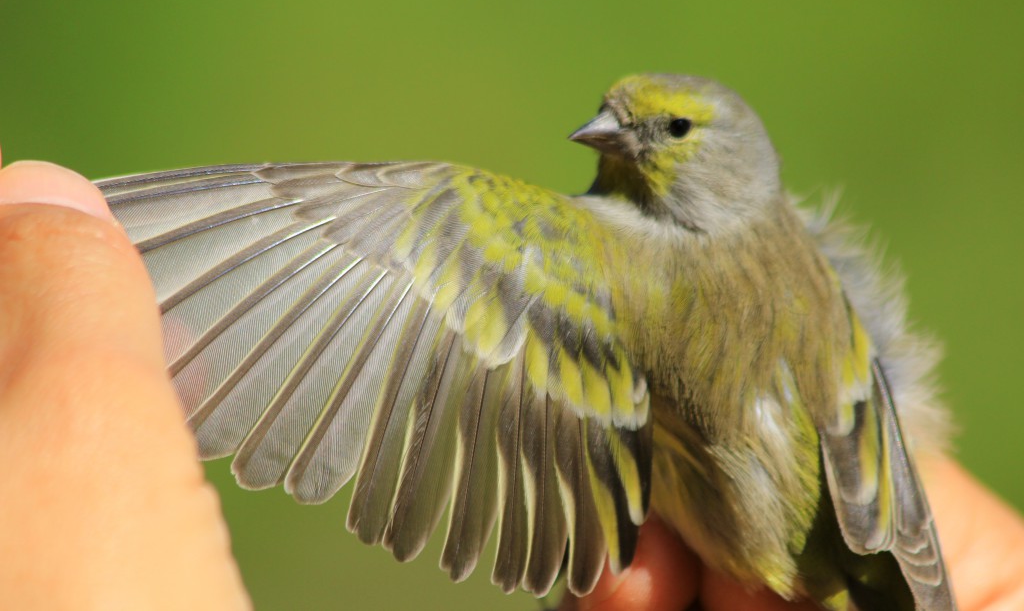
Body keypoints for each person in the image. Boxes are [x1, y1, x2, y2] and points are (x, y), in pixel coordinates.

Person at [0, 159, 1021, 611]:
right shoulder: (793, 263)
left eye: (666, 132)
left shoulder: (533, 244)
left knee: (394, 211)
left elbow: (346, 247)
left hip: (753, 539)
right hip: (883, 532)